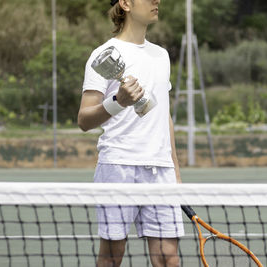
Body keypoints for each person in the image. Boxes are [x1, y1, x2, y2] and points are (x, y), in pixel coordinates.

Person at [77, 0, 184, 266]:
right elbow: (84, 119)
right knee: (112, 257)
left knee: (167, 258)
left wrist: (176, 173)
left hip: (160, 171)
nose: (156, 0)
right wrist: (118, 101)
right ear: (125, 3)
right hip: (118, 168)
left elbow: (164, 118)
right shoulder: (102, 55)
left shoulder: (161, 55)